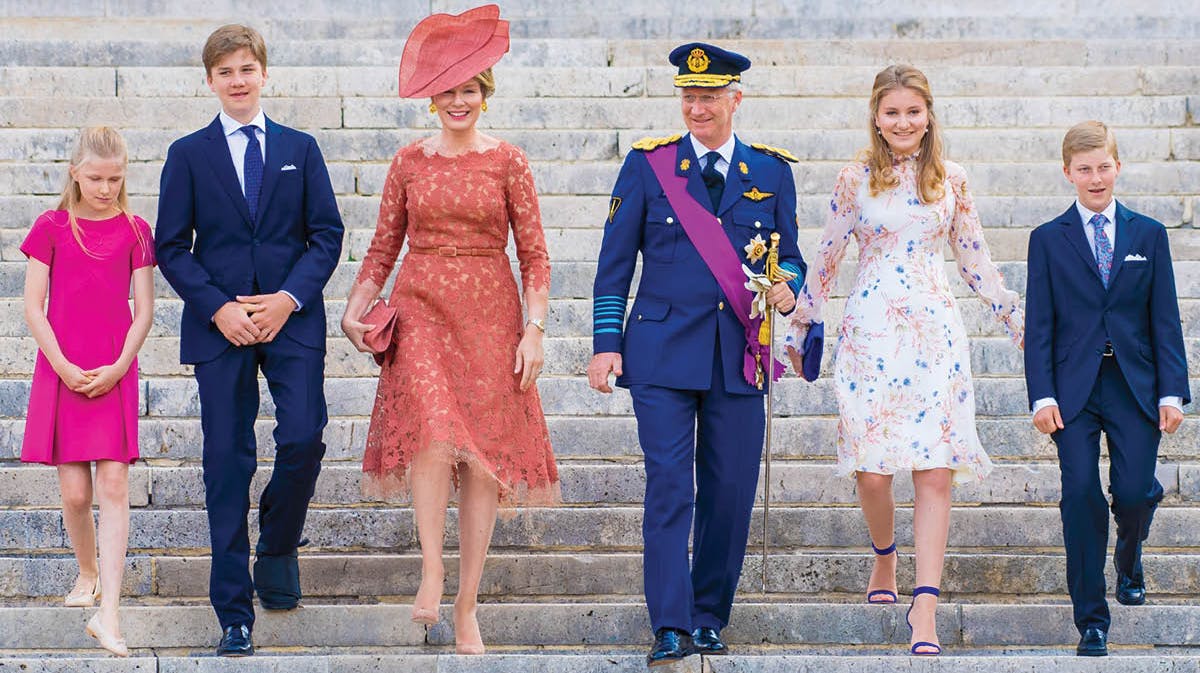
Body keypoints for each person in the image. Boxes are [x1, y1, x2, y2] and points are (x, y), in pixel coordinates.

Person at [340, 4, 558, 656]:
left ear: (483, 95)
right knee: (433, 432)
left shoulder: (509, 162)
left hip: (493, 317)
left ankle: (466, 605)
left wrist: (536, 329)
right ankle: (432, 567)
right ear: (431, 97)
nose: (458, 101)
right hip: (423, 312)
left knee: (484, 463)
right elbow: (382, 249)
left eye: (469, 90)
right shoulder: (408, 162)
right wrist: (355, 307)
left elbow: (536, 254)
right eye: (447, 91)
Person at [784, 64, 1023, 656]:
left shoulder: (952, 180)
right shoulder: (853, 179)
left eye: (912, 111)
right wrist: (801, 323)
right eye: (892, 112)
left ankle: (925, 606)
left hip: (934, 336)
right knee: (871, 469)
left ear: (929, 114)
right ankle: (885, 557)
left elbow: (973, 260)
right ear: (875, 116)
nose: (903, 122)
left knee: (935, 470)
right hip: (869, 333)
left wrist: (1015, 316)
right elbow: (827, 256)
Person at [587, 42, 805, 667]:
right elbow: (613, 266)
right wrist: (607, 345)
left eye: (709, 96)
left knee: (731, 490)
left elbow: (790, 252)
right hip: (659, 352)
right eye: (689, 95)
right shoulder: (650, 166)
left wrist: (786, 284)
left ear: (736, 99)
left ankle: (710, 616)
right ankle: (671, 624)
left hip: (739, 352)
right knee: (670, 487)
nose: (697, 106)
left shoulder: (770, 172)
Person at [155, 24, 344, 657]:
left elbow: (326, 234)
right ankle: (234, 613)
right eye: (226, 72)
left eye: (247, 69)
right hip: (223, 326)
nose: (238, 81)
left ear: (265, 73)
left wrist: (289, 300)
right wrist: (217, 309)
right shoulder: (188, 154)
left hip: (291, 320)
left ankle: (280, 542)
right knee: (227, 462)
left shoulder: (301, 147)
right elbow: (170, 247)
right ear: (210, 81)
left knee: (303, 437)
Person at [1024, 120, 1189, 657]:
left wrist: (1172, 392)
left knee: (1136, 491)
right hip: (1072, 389)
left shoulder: (1148, 234)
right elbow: (1041, 324)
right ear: (1068, 173)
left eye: (1103, 166)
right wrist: (1041, 396)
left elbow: (1164, 317)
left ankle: (1130, 554)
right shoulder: (1048, 240)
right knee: (1080, 496)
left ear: (1118, 167)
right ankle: (1091, 620)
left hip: (1134, 383)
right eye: (1084, 169)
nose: (1095, 178)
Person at [20, 126, 155, 658]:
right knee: (76, 494)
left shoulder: (136, 230)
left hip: (114, 368)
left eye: (115, 179)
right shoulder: (51, 226)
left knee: (114, 486)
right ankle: (87, 570)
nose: (105, 188)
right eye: (96, 178)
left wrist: (120, 365)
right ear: (75, 172)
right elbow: (33, 306)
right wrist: (62, 365)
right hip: (62, 367)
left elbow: (143, 308)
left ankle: (111, 613)